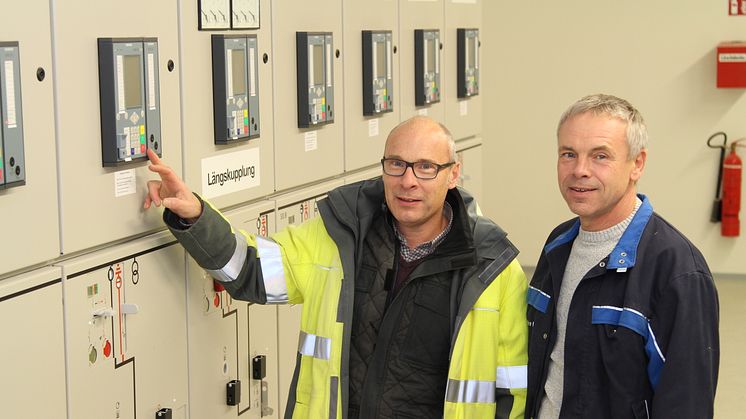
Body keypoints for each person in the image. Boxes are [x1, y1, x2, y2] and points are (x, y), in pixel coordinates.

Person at [144, 116, 529, 419]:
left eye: (426, 167)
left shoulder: (493, 269)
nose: (408, 180)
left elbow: (513, 395)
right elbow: (249, 271)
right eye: (397, 164)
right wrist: (195, 215)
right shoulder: (340, 237)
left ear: (453, 174)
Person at [525, 94, 720, 419]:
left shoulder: (677, 271)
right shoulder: (557, 246)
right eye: (568, 154)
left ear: (637, 164)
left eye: (600, 156)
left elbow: (687, 404)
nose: (579, 170)